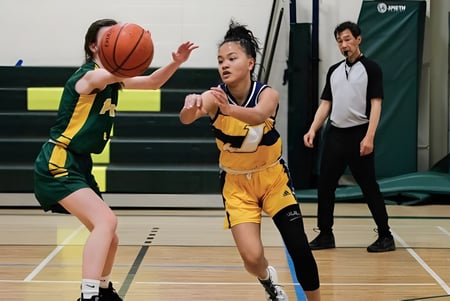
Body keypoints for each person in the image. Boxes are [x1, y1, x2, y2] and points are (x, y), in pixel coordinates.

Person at [33, 18, 198, 301]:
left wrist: (176, 62)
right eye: (110, 36)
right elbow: (103, 77)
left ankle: (104, 289)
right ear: (95, 45)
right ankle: (88, 296)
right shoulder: (87, 76)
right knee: (106, 222)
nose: (117, 38)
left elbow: (152, 83)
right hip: (58, 160)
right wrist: (123, 67)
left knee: (110, 234)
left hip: (80, 164)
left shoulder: (111, 78)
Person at [180, 20, 321, 301]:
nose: (225, 65)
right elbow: (186, 120)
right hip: (236, 185)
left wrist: (228, 109)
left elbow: (258, 115)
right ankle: (268, 280)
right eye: (220, 60)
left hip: (272, 178)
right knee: (252, 259)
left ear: (250, 63)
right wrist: (190, 104)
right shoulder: (214, 97)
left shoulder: (267, 93)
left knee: (299, 246)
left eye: (232, 58)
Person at [303, 21, 395, 253]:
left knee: (368, 186)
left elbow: (376, 104)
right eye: (339, 41)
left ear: (358, 39)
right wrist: (313, 129)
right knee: (325, 186)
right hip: (335, 134)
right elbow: (326, 104)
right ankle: (325, 234)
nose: (344, 44)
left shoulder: (371, 68)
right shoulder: (334, 71)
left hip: (359, 134)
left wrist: (369, 137)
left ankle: (385, 235)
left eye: (347, 39)